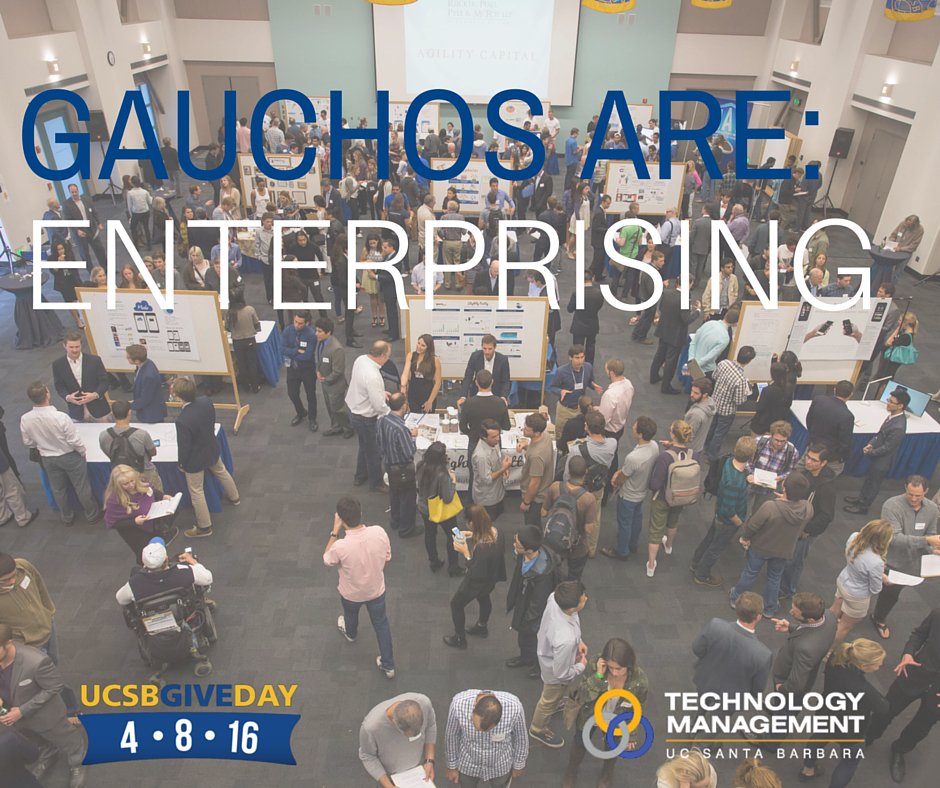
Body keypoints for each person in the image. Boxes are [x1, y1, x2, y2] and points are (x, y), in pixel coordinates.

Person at [0, 623, 88, 788]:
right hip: (15, 718)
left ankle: (77, 761)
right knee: (33, 739)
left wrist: (22, 711)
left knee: (66, 738)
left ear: (8, 643)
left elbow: (55, 687)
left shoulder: (36, 662)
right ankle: (49, 752)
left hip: (44, 715)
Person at [562, 637, 649, 788]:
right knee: (580, 742)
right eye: (610, 667)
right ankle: (571, 772)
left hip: (616, 718)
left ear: (628, 665)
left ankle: (606, 775)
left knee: (613, 747)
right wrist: (598, 676)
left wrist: (631, 733)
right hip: (590, 714)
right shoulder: (595, 665)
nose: (614, 673)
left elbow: (637, 708)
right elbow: (582, 696)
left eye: (619, 669)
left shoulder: (639, 681)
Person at [324, 496, 395, 680]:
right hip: (376, 590)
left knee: (350, 615)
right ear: (361, 513)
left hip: (351, 594)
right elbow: (387, 557)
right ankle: (388, 666)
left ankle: (351, 633)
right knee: (381, 624)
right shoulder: (379, 532)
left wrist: (334, 531)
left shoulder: (340, 546)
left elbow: (327, 559)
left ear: (341, 519)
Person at [800, 639, 888, 786]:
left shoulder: (835, 659)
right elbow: (883, 708)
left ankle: (807, 769)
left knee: (817, 740)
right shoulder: (863, 689)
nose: (881, 665)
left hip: (826, 715)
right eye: (878, 663)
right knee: (850, 761)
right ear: (863, 666)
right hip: (851, 730)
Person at [866, 607, 940, 782]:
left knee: (921, 727)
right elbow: (919, 634)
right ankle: (868, 736)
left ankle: (900, 750)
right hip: (915, 672)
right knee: (885, 709)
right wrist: (908, 653)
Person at [730, 472, 813, 617]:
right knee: (775, 577)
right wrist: (786, 501)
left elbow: (753, 526)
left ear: (784, 488)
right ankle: (770, 608)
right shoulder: (808, 508)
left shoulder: (770, 507)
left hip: (761, 547)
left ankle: (736, 598)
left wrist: (745, 537)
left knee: (750, 573)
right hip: (784, 550)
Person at [20, 382, 101, 525]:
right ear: (47, 394)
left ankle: (66, 516)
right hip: (70, 457)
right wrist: (82, 452)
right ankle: (92, 514)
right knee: (81, 486)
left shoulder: (25, 419)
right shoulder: (61, 417)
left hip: (47, 458)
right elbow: (74, 440)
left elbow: (28, 442)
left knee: (58, 489)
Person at [869, 476, 940, 640]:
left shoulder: (932, 508)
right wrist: (926, 541)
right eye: (910, 494)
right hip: (889, 560)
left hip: (909, 565)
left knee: (891, 594)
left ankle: (878, 618)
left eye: (918, 495)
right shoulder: (891, 505)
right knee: (866, 587)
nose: (913, 499)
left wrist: (933, 549)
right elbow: (894, 538)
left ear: (926, 492)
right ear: (905, 488)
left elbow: (931, 533)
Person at [170, 377, 240, 538]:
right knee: (222, 472)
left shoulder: (182, 420)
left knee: (196, 491)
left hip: (195, 460)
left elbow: (184, 447)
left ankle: (204, 527)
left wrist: (182, 463)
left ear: (179, 396)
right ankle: (235, 497)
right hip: (211, 449)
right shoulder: (206, 402)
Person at [529, 580, 589, 749]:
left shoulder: (555, 598)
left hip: (551, 650)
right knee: (548, 699)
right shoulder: (565, 639)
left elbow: (572, 624)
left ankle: (555, 703)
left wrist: (578, 641)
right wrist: (581, 665)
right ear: (571, 607)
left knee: (554, 696)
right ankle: (537, 728)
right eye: (583, 598)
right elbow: (561, 674)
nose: (586, 598)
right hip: (555, 672)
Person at [691, 435, 757, 587]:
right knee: (716, 548)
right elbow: (729, 510)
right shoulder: (735, 482)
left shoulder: (728, 462)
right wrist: (739, 523)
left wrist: (746, 479)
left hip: (719, 513)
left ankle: (695, 563)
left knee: (709, 539)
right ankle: (702, 575)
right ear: (752, 456)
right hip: (727, 521)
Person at [779, 444, 839, 599]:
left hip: (806, 531)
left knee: (795, 561)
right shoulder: (805, 474)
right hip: (795, 524)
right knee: (787, 556)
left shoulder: (827, 487)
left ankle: (787, 589)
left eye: (814, 460)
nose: (808, 461)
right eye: (808, 457)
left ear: (823, 463)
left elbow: (826, 516)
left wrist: (806, 530)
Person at [443, 505, 506, 649]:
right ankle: (482, 626)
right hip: (491, 577)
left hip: (477, 581)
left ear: (472, 523)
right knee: (484, 597)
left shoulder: (482, 550)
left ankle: (459, 638)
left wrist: (465, 552)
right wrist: (472, 534)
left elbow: (475, 570)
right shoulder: (497, 532)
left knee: (456, 604)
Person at [646, 419, 699, 578]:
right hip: (681, 497)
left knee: (656, 530)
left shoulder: (664, 457)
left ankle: (651, 565)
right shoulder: (694, 454)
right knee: (673, 521)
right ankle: (668, 546)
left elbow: (655, 484)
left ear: (673, 435)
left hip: (663, 498)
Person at [843, 388, 909, 515]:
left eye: (891, 402)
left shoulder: (898, 426)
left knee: (873, 484)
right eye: (889, 400)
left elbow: (888, 447)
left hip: (883, 461)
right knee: (869, 480)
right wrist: (871, 444)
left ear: (900, 406)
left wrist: (870, 452)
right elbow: (880, 434)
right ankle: (861, 498)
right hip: (877, 455)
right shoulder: (892, 416)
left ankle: (863, 506)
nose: (888, 403)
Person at [693, 592, 773, 695]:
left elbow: (697, 649)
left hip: (705, 682)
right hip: (732, 696)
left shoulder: (715, 625)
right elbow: (757, 689)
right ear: (758, 617)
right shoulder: (763, 655)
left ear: (737, 610)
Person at [561, 411, 616, 558]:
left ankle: (573, 545)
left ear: (587, 427)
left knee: (575, 518)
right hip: (598, 487)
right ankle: (591, 548)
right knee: (595, 518)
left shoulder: (577, 449)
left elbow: (567, 474)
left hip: (581, 490)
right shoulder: (613, 443)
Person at [830, 519, 893, 647]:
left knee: (833, 612)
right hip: (857, 595)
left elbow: (860, 563)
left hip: (843, 581)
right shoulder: (877, 561)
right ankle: (828, 650)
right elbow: (875, 589)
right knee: (844, 626)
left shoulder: (854, 537)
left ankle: (818, 634)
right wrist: (883, 579)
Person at [445, 690, 527, 786]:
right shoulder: (458, 705)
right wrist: (452, 766)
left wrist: (518, 765)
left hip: (500, 766)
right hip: (468, 764)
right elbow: (451, 736)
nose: (478, 731)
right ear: (474, 707)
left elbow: (521, 738)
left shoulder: (515, 708)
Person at [604, 417, 659, 561]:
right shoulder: (654, 446)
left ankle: (622, 551)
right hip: (642, 491)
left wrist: (615, 481)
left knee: (624, 523)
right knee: (636, 518)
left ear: (640, 434)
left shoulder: (633, 458)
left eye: (635, 427)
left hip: (628, 495)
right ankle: (633, 544)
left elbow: (623, 477)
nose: (632, 428)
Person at [359, 694, 437, 786]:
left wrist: (429, 760)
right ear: (394, 722)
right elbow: (368, 756)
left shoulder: (424, 703)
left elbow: (430, 726)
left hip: (418, 770)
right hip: (389, 776)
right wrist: (388, 785)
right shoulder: (371, 728)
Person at [770, 591, 837, 696]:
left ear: (810, 619)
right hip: (809, 671)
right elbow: (813, 631)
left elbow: (796, 684)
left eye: (795, 612)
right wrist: (791, 627)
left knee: (786, 706)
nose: (790, 612)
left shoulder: (805, 649)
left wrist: (782, 689)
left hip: (788, 686)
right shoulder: (829, 616)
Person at [103, 464, 176, 560]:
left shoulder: (142, 481)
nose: (131, 485)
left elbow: (152, 490)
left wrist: (163, 496)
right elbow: (113, 523)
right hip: (134, 531)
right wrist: (134, 522)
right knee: (147, 555)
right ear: (118, 485)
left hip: (151, 523)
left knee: (159, 550)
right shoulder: (114, 500)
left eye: (132, 481)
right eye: (126, 484)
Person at [346, 341, 392, 492]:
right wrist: (391, 414)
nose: (388, 359)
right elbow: (378, 405)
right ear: (382, 355)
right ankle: (376, 482)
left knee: (364, 445)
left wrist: (380, 392)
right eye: (388, 356)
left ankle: (360, 475)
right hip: (366, 418)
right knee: (374, 452)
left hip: (354, 411)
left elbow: (363, 386)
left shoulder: (360, 359)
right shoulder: (373, 376)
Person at [542, 456, 596, 581]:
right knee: (574, 575)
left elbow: (543, 513)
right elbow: (588, 529)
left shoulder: (555, 487)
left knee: (552, 570)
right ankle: (570, 590)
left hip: (555, 539)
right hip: (577, 546)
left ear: (568, 471)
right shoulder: (588, 498)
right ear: (586, 472)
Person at [416, 441, 464, 577]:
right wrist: (453, 481)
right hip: (442, 511)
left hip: (425, 508)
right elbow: (448, 498)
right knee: (454, 534)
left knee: (430, 534)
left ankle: (434, 561)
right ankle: (453, 567)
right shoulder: (442, 474)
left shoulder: (420, 466)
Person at [115, 539, 213, 605]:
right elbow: (208, 579)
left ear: (144, 563)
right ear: (166, 559)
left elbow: (121, 600)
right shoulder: (185, 572)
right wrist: (193, 562)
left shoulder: (135, 583)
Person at [703, 346, 755, 461]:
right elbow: (739, 401)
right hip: (727, 411)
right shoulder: (741, 379)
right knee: (719, 433)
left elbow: (714, 376)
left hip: (714, 402)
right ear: (749, 361)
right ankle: (711, 456)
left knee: (712, 427)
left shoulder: (723, 363)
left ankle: (705, 447)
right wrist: (747, 392)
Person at [377, 394, 418, 539]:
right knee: (407, 500)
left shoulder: (382, 420)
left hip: (388, 465)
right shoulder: (400, 429)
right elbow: (409, 452)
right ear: (403, 406)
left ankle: (395, 521)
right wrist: (413, 437)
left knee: (394, 495)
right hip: (402, 469)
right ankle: (406, 530)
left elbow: (379, 442)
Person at [650, 282, 702, 395]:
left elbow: (661, 308)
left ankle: (653, 377)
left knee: (659, 355)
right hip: (676, 335)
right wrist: (697, 311)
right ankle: (666, 387)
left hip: (664, 330)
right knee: (671, 361)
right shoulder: (684, 299)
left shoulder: (667, 292)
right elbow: (687, 320)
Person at [52, 331, 110, 423]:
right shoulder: (58, 364)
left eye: (77, 346)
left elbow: (105, 381)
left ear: (81, 345)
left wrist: (95, 395)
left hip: (99, 409)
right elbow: (59, 385)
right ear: (64, 346)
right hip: (76, 411)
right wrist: (68, 397)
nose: (74, 350)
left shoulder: (95, 360)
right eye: (71, 347)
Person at [747, 420, 800, 511]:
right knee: (741, 508)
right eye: (776, 440)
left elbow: (791, 471)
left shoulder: (792, 452)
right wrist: (750, 473)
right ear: (771, 435)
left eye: (783, 441)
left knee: (760, 512)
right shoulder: (759, 442)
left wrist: (781, 477)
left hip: (769, 491)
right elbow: (747, 460)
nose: (779, 443)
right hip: (750, 484)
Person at [312, 317, 352, 438]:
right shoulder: (321, 342)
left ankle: (349, 427)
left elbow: (338, 371)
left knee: (338, 409)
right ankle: (336, 427)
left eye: (319, 331)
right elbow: (318, 358)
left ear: (328, 332)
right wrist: (317, 371)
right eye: (316, 330)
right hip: (325, 383)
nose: (316, 333)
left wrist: (326, 379)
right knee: (330, 407)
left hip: (335, 386)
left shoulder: (336, 348)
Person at [551, 345, 603, 438]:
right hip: (565, 409)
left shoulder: (588, 367)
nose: (580, 361)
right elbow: (552, 387)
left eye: (582, 357)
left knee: (579, 434)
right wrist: (560, 391)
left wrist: (593, 385)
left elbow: (589, 381)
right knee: (560, 434)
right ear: (570, 358)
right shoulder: (561, 371)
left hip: (580, 410)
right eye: (577, 358)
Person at [806, 380, 854, 475]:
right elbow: (845, 442)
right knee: (827, 477)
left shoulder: (818, 400)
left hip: (813, 444)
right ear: (851, 395)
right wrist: (841, 458)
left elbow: (809, 420)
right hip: (830, 455)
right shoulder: (847, 416)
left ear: (834, 390)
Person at [281, 311, 319, 432]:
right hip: (292, 369)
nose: (297, 325)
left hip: (307, 369)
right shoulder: (288, 330)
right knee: (292, 394)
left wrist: (291, 353)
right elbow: (282, 349)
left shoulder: (311, 335)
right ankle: (301, 412)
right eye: (295, 322)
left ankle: (312, 418)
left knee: (310, 395)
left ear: (306, 323)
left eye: (300, 323)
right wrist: (296, 351)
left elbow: (307, 355)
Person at [471, 419, 513, 522]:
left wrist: (502, 465)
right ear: (484, 437)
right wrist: (504, 468)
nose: (498, 438)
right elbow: (487, 479)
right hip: (488, 499)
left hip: (498, 491)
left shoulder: (493, 442)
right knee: (487, 523)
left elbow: (498, 455)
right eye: (494, 437)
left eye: (498, 435)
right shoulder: (481, 456)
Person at [519, 412, 556, 528]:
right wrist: (526, 447)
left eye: (527, 429)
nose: (523, 430)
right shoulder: (544, 435)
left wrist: (526, 502)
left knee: (531, 526)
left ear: (536, 433)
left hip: (536, 497)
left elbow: (535, 483)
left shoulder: (536, 456)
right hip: (544, 489)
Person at [226, 289, 263, 394]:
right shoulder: (249, 309)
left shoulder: (229, 313)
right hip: (250, 340)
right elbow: (257, 324)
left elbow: (227, 328)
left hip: (237, 342)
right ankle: (255, 386)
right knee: (252, 363)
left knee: (241, 364)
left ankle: (246, 386)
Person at [459, 335, 511, 404]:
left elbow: (505, 381)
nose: (487, 352)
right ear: (481, 347)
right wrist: (463, 396)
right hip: (477, 395)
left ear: (495, 347)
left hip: (496, 396)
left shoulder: (503, 360)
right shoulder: (475, 356)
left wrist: (503, 397)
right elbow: (468, 377)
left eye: (490, 349)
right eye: (484, 348)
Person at [567, 269, 604, 366]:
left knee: (578, 347)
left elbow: (570, 309)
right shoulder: (599, 293)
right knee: (591, 345)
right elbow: (599, 306)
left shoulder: (577, 293)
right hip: (593, 323)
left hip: (579, 324)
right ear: (593, 278)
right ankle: (589, 365)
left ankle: (577, 364)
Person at [688, 307, 738, 377]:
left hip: (692, 363)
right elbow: (710, 357)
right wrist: (694, 366)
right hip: (706, 370)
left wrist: (691, 362)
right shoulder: (725, 338)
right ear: (735, 323)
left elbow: (693, 342)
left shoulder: (709, 323)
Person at [124, 344, 167, 423]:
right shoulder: (146, 363)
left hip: (151, 414)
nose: (126, 358)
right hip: (149, 409)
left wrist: (128, 406)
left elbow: (145, 399)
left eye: (128, 357)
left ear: (137, 361)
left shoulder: (148, 376)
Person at [401, 334, 442, 415]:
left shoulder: (435, 360)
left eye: (423, 345)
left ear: (428, 347)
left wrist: (430, 401)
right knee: (413, 417)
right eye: (418, 343)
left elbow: (437, 383)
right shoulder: (411, 355)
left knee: (428, 419)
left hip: (428, 394)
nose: (419, 347)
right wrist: (403, 386)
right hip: (413, 392)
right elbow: (405, 373)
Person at [685, 378, 716, 455]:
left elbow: (688, 436)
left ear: (705, 395)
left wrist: (672, 444)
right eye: (692, 391)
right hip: (698, 446)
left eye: (696, 393)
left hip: (688, 450)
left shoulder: (696, 414)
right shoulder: (710, 402)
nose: (691, 395)